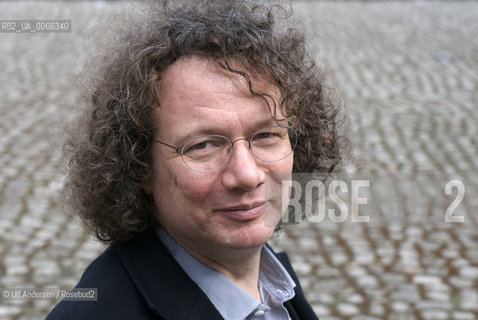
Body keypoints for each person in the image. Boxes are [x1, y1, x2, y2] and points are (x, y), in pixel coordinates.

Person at [47, 0, 346, 319]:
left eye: (265, 135)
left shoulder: (273, 282)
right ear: (140, 165)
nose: (246, 175)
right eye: (203, 145)